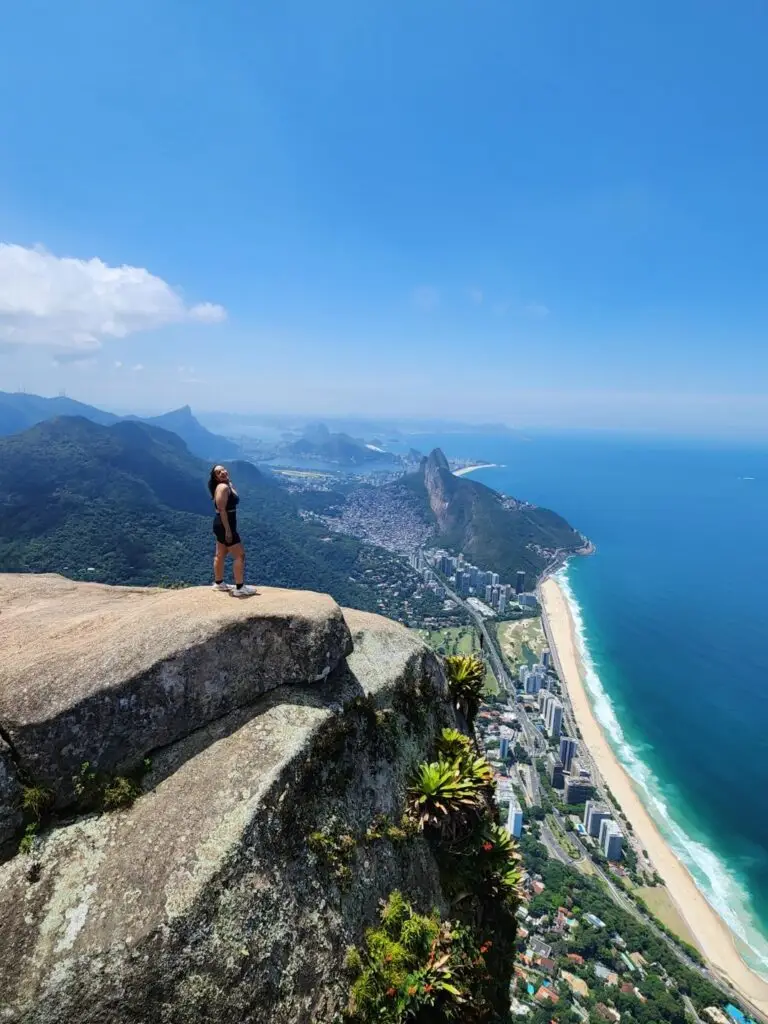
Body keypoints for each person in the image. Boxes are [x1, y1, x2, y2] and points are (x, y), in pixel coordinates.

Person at [208, 465, 257, 596]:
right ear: (216, 477)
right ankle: (240, 588)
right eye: (219, 473)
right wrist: (228, 531)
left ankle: (219, 583)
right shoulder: (223, 487)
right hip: (226, 524)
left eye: (223, 470)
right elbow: (222, 509)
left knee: (220, 554)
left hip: (223, 524)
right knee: (240, 555)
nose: (223, 472)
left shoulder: (227, 484)